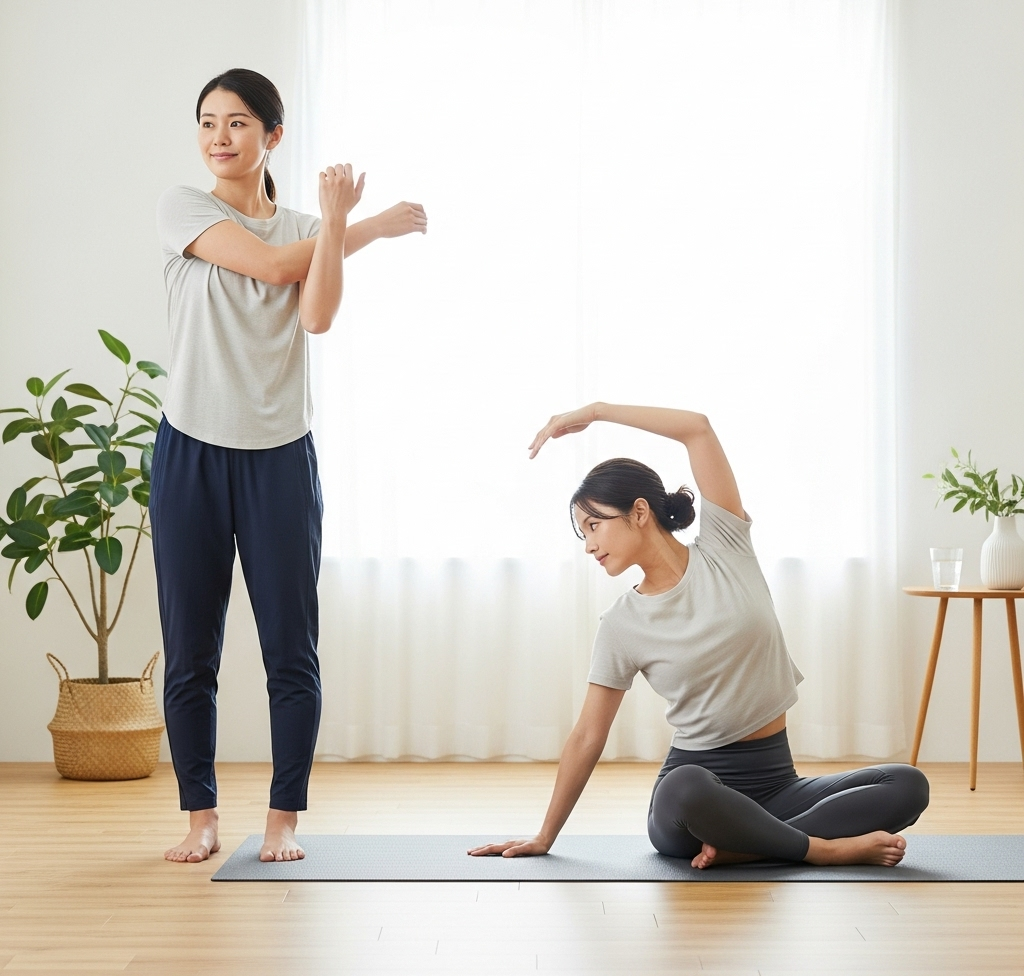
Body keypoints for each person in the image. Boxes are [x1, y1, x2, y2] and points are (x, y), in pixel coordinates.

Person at [151, 68, 427, 864]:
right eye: (207, 121)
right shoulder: (184, 208)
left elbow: (317, 314)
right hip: (191, 452)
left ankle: (283, 820)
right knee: (191, 648)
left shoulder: (309, 227)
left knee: (291, 650)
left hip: (279, 458)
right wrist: (363, 224)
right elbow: (272, 270)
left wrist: (337, 227)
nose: (218, 137)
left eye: (238, 123)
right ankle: (200, 816)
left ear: (273, 136)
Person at [470, 404, 928, 869]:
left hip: (778, 786)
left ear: (640, 512)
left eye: (594, 525)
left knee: (908, 786)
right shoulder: (622, 623)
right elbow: (589, 734)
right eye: (582, 533)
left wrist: (598, 412)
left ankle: (745, 847)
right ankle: (821, 850)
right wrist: (545, 836)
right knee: (685, 785)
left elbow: (697, 429)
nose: (587, 544)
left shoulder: (725, 544)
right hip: (694, 802)